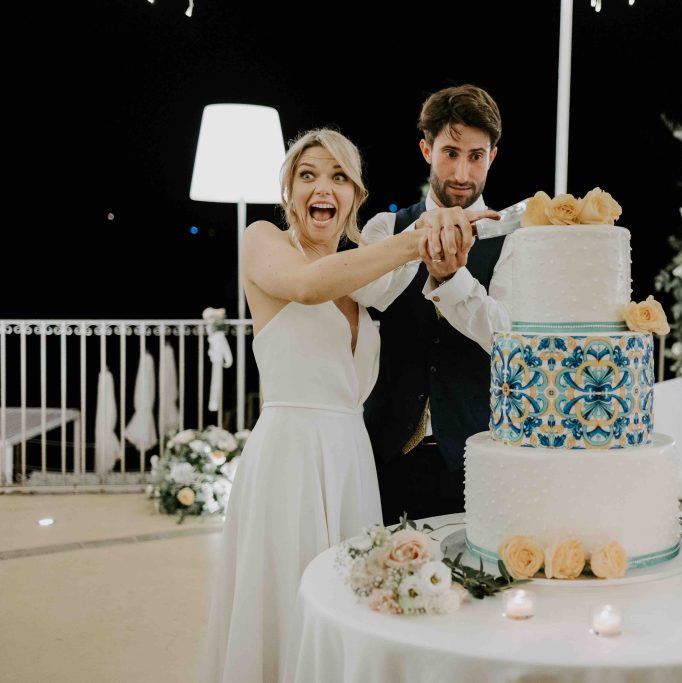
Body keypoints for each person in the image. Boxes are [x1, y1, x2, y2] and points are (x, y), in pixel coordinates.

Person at [201, 128, 486, 682]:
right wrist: (413, 237)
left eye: (337, 177)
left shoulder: (358, 276)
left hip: (353, 458)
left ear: (355, 196)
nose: (321, 187)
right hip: (291, 457)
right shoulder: (265, 241)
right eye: (307, 175)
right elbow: (306, 287)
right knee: (286, 602)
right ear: (289, 191)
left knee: (353, 605)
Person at [361, 84, 515, 524]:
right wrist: (420, 238)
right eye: (450, 153)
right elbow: (372, 295)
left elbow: (506, 337)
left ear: (492, 157)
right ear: (426, 149)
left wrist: (452, 278)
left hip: (476, 454)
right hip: (385, 448)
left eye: (476, 156)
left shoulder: (513, 239)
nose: (462, 172)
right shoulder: (385, 226)